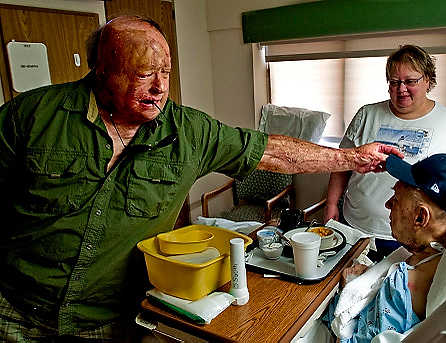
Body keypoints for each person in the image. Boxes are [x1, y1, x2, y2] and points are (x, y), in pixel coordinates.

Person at [0, 16, 401, 342]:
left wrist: (352, 156)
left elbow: (271, 150)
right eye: (143, 74)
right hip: (14, 307)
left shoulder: (188, 132)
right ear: (102, 71)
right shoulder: (32, 116)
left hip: (110, 317)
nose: (159, 88)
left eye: (165, 72)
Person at [324, 44, 446, 261]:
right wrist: (332, 204)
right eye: (394, 82)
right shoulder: (366, 114)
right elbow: (342, 164)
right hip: (355, 227)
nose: (401, 89)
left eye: (410, 81)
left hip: (411, 240)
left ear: (428, 80)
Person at [323, 153, 446, 342]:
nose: (388, 204)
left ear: (421, 217)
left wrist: (349, 286)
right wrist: (372, 275)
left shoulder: (405, 285)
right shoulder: (440, 257)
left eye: (396, 199)